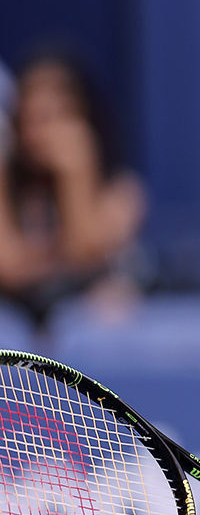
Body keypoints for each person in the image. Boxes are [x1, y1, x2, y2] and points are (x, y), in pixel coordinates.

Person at [0, 49, 147, 333]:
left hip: (91, 332)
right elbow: (7, 266)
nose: (42, 133)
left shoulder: (123, 190)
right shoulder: (6, 176)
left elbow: (84, 254)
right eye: (32, 118)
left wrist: (77, 173)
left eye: (56, 117)